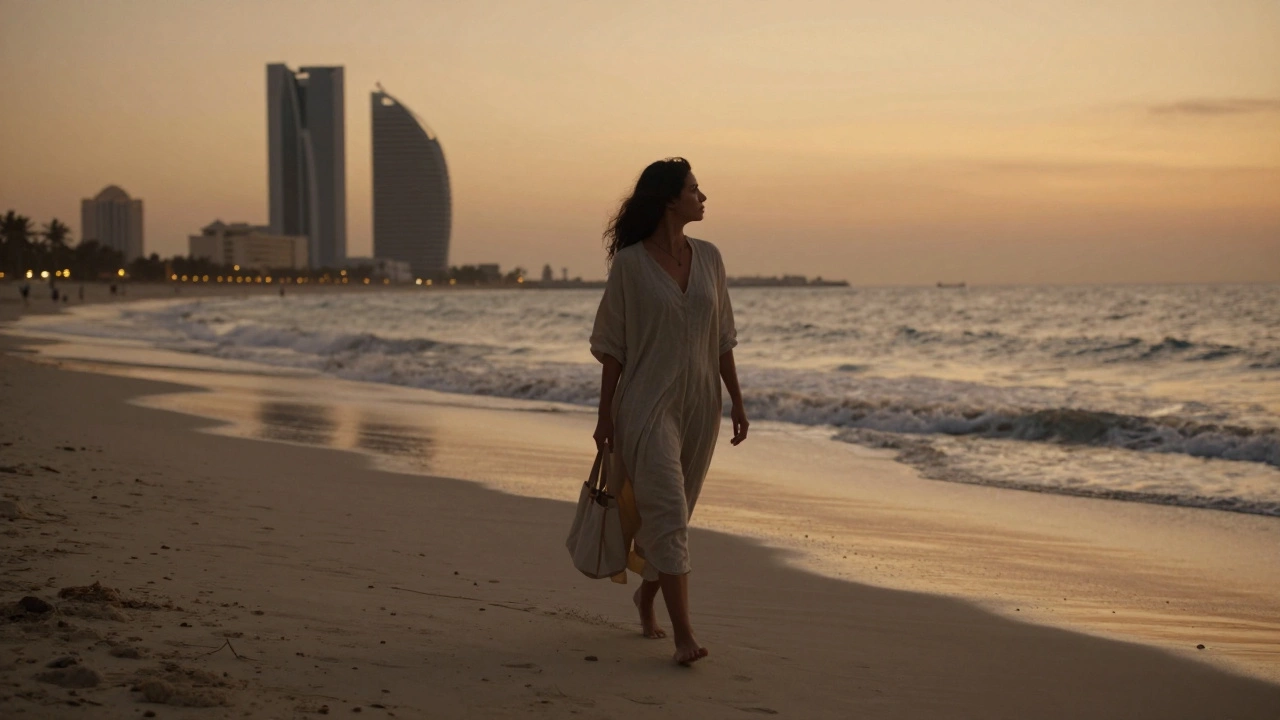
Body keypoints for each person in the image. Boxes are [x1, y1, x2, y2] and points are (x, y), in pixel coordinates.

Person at [589, 157, 748, 666]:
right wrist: (604, 416)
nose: (703, 198)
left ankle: (647, 598)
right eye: (695, 190)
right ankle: (685, 637)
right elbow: (612, 346)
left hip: (701, 405)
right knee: (670, 515)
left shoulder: (711, 258)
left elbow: (722, 338)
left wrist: (737, 399)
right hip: (645, 404)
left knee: (675, 514)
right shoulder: (631, 265)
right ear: (669, 199)